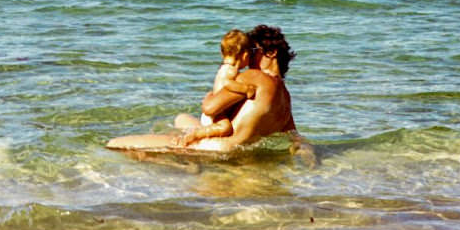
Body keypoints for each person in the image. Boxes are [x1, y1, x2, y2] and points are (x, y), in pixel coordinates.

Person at [107, 24, 312, 160]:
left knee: (114, 144)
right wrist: (309, 154)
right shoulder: (285, 95)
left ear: (271, 52)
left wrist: (211, 97)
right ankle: (179, 144)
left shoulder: (256, 77)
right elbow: (294, 136)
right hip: (240, 149)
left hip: (218, 148)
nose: (246, 58)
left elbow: (211, 107)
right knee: (182, 119)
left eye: (252, 51)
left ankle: (179, 158)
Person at [171, 29, 256, 147]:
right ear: (245, 55)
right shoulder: (231, 70)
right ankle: (195, 134)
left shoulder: (223, 68)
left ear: (222, 54)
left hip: (215, 111)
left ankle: (194, 135)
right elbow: (227, 83)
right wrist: (246, 89)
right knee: (226, 128)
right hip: (217, 113)